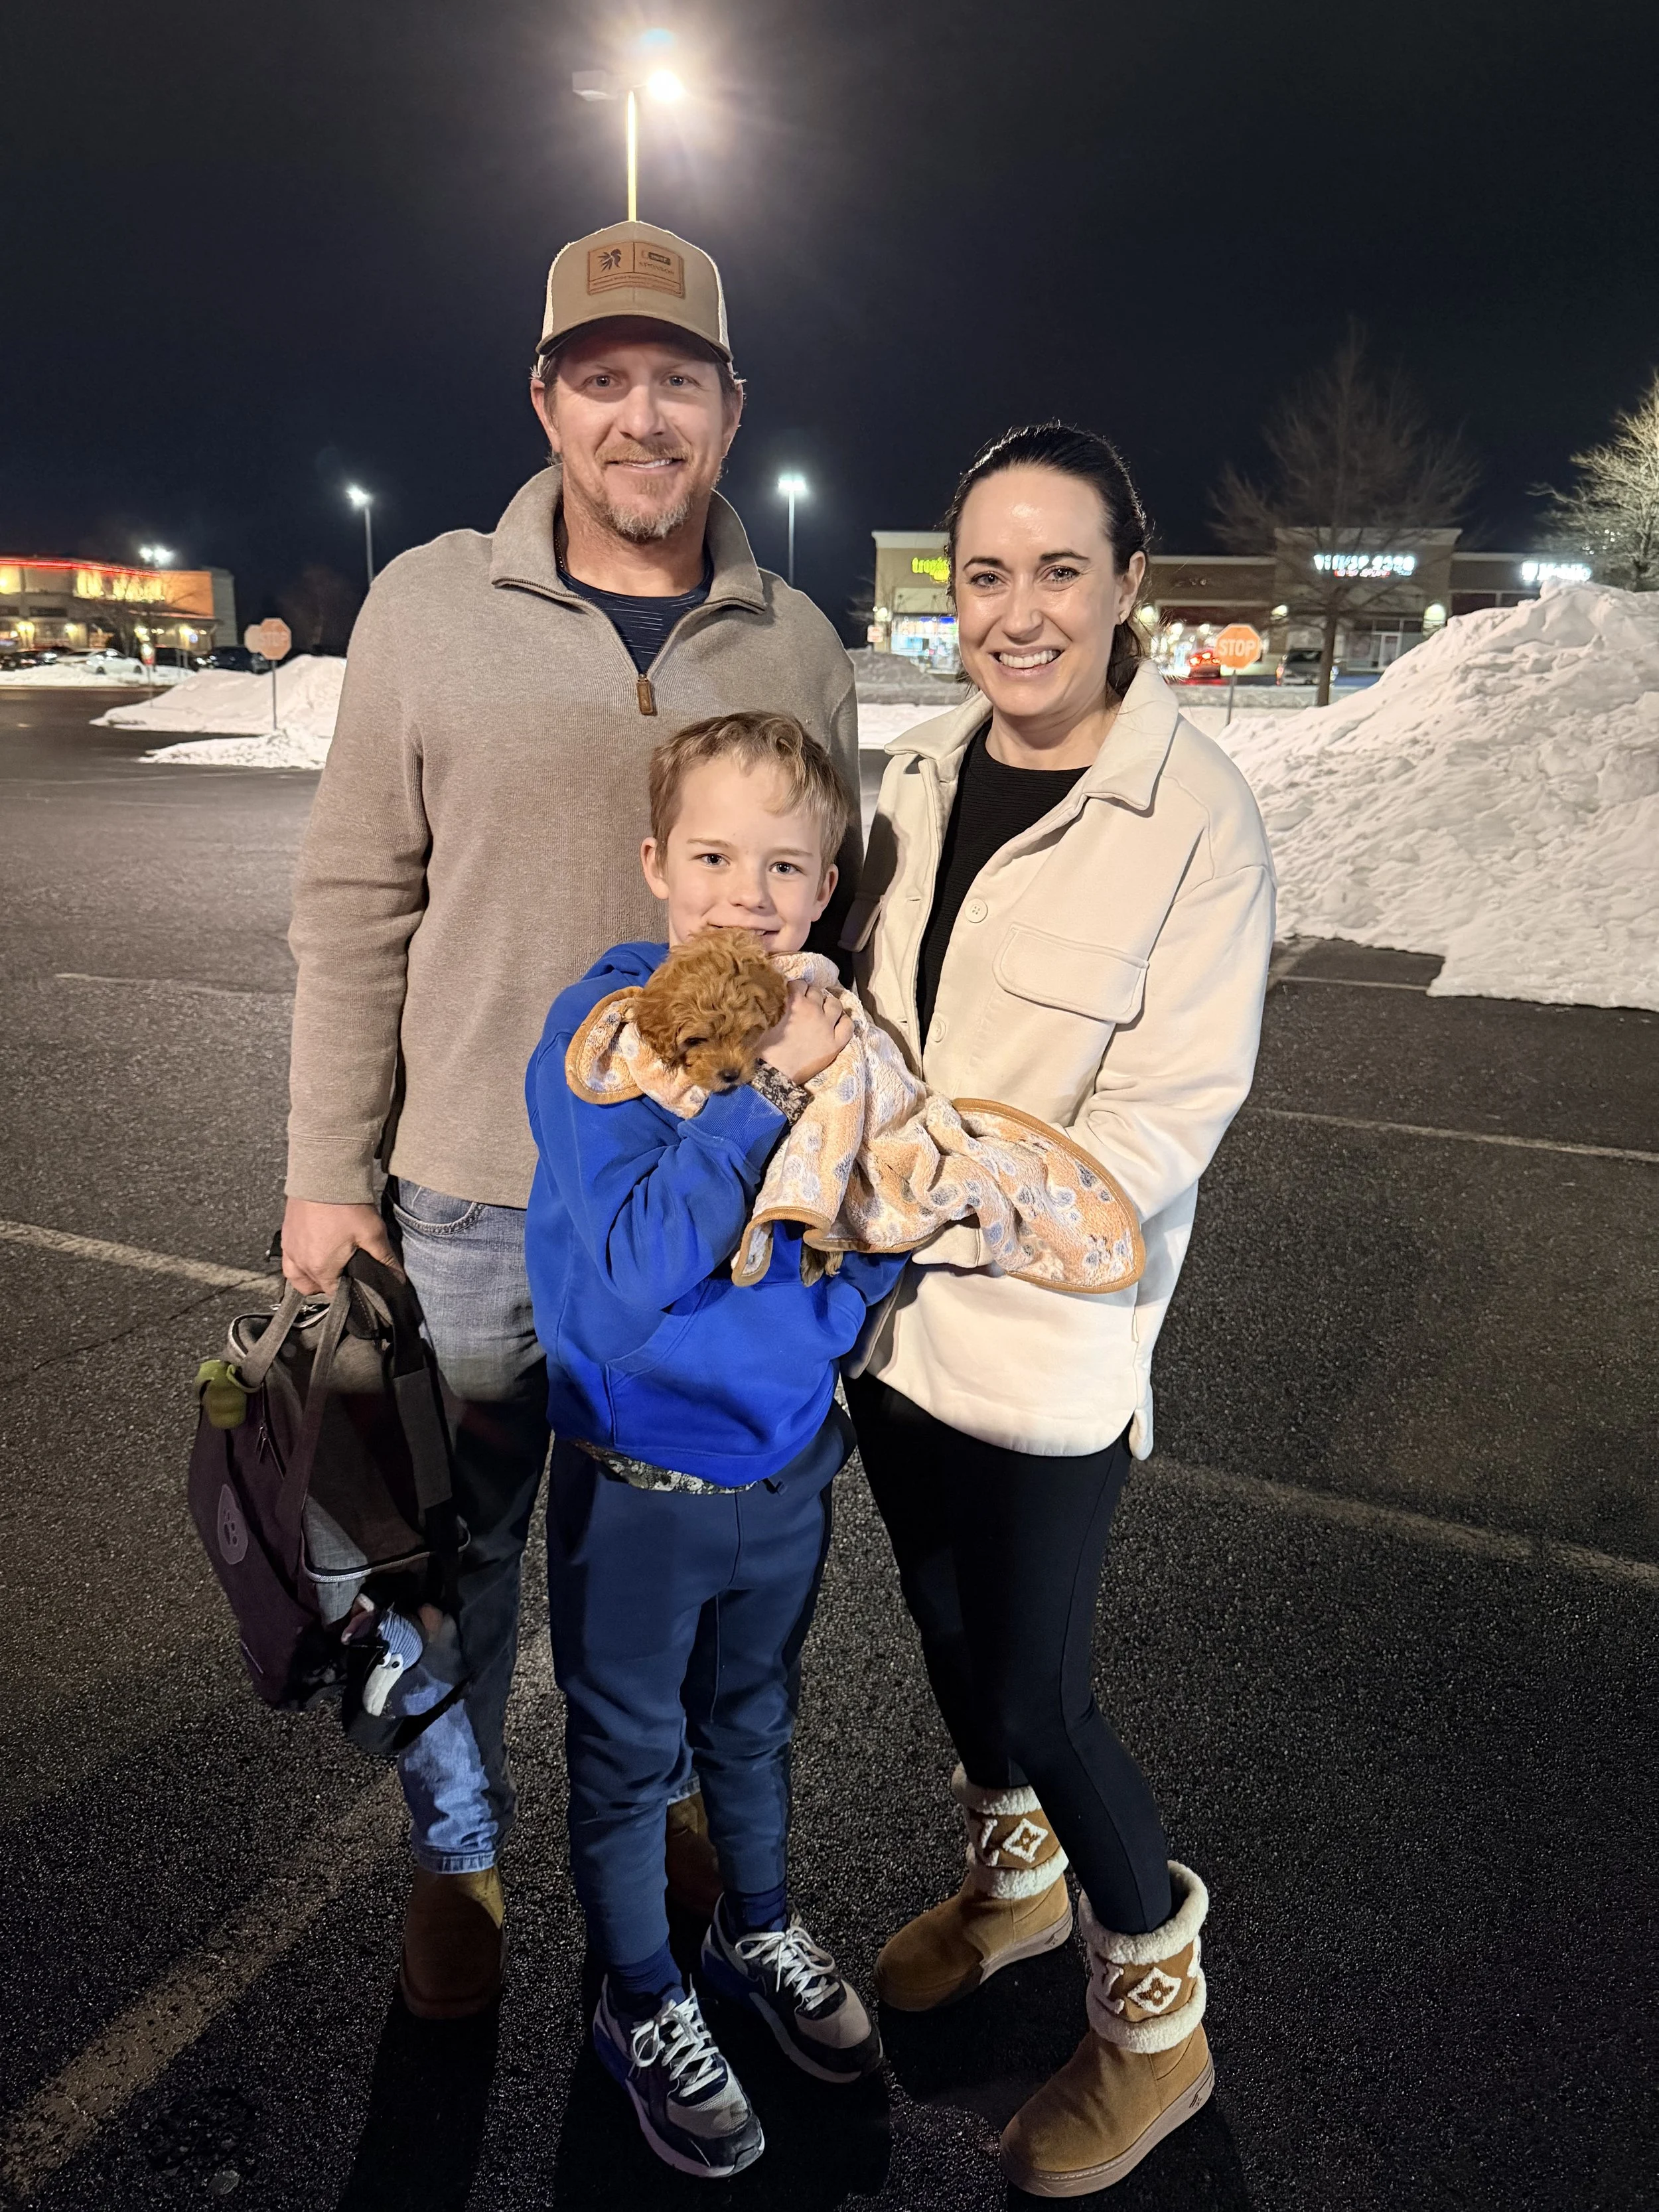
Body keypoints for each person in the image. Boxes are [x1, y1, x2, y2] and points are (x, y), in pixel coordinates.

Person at [279, 219, 861, 2020]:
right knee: (455, 1565)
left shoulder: (801, 635)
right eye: (600, 378)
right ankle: (455, 1850)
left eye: (674, 378)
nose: (639, 414)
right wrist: (323, 1173)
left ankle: (681, 1801)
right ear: (545, 399)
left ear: (728, 406)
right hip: (466, 1194)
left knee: (685, 1537)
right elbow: (355, 898)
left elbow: (834, 905)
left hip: (695, 1209)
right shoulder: (428, 609)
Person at [845, 422, 1275, 2196]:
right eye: (984, 573)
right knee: (944, 1639)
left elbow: (1162, 1120)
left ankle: (1153, 2028)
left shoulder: (1195, 820)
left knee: (1035, 1693)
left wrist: (930, 1187)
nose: (1014, 611)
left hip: (1041, 1350)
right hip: (883, 1326)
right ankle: (1011, 1889)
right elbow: (851, 1022)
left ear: (1127, 591)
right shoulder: (917, 773)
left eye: (1056, 571)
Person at [525, 712, 898, 2179]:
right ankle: (640, 1997)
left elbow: (870, 1218)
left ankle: (753, 1923)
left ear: (820, 890)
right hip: (634, 1489)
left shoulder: (832, 1029)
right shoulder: (607, 1036)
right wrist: (755, 1095)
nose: (745, 894)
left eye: (783, 864)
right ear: (654, 866)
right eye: (713, 855)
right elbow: (627, 1272)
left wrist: (842, 1309)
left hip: (785, 1474)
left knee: (753, 1725)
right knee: (626, 1763)